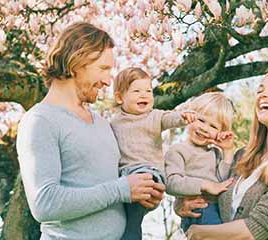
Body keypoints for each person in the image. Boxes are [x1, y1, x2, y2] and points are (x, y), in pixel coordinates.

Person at [16, 22, 164, 240]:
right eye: (103, 69)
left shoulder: (103, 124)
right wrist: (121, 190)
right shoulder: (40, 121)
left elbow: (115, 187)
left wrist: (142, 194)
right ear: (77, 61)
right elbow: (44, 203)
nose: (107, 81)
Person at [176, 68, 268, 240]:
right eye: (260, 90)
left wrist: (200, 233)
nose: (263, 94)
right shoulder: (240, 157)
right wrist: (182, 206)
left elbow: (255, 229)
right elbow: (208, 190)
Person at [110, 67, 197, 240]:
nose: (144, 95)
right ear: (120, 97)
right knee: (125, 216)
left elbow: (169, 118)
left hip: (150, 173)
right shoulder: (114, 123)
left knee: (133, 218)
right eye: (136, 91)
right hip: (125, 175)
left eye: (148, 91)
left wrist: (182, 117)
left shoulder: (155, 116)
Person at [164, 92, 235, 233]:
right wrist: (205, 185)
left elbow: (223, 180)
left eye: (213, 126)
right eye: (201, 120)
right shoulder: (178, 150)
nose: (204, 128)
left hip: (217, 209)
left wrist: (227, 151)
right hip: (200, 209)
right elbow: (171, 183)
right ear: (190, 117)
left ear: (221, 132)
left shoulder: (215, 153)